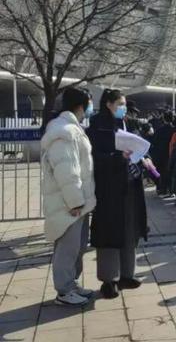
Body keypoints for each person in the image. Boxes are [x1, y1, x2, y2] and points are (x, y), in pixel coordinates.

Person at [87, 89, 148, 299]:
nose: (123, 108)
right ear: (108, 104)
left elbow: (138, 145)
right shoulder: (98, 126)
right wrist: (117, 157)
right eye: (120, 104)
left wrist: (143, 157)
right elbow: (94, 157)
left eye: (124, 104)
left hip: (130, 184)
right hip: (109, 188)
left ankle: (127, 274)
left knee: (130, 229)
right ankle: (108, 279)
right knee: (110, 231)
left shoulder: (127, 123)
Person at [41, 88, 97, 306]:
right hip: (69, 203)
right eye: (90, 104)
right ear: (81, 106)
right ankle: (64, 291)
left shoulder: (72, 128)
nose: (91, 108)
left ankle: (71, 284)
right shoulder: (64, 131)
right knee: (67, 248)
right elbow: (66, 170)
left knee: (77, 247)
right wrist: (75, 201)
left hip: (78, 202)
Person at [151, 111, 175, 196]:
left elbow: (154, 141)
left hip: (161, 154)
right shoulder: (175, 129)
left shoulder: (160, 130)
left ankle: (163, 189)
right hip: (172, 153)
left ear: (164, 119)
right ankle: (171, 190)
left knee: (162, 172)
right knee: (171, 172)